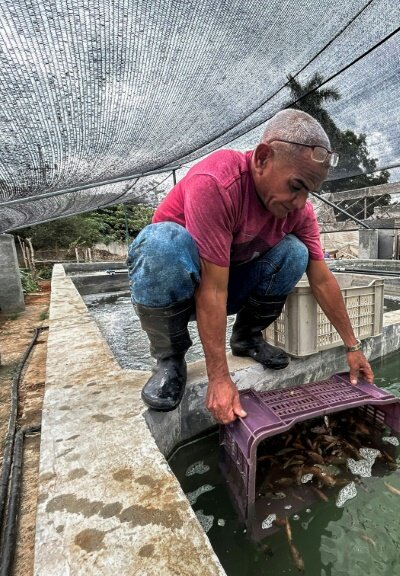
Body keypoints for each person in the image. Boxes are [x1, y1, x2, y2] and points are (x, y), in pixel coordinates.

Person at [127, 109, 374, 424]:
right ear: (262, 158)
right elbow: (211, 287)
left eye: (308, 192)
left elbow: (323, 280)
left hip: (226, 283)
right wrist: (219, 378)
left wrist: (352, 346)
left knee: (296, 252)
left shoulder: (299, 213)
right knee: (162, 241)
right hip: (178, 287)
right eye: (296, 185)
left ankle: (246, 337)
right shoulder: (217, 181)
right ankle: (169, 359)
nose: (300, 202)